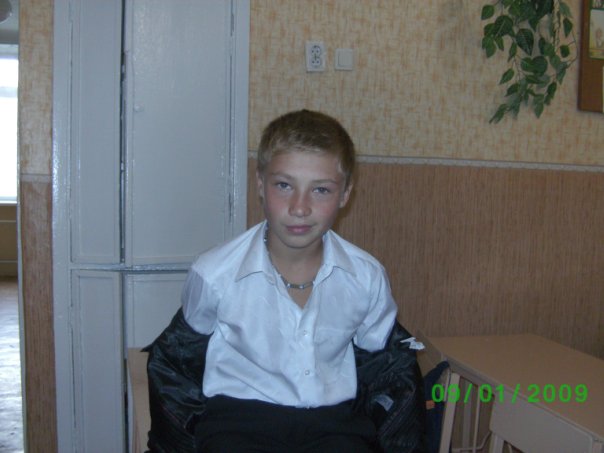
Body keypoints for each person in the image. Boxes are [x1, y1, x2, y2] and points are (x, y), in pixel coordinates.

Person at [182, 109, 399, 452]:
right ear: (260, 184)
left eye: (321, 190)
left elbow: (376, 354)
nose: (300, 207)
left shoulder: (367, 278)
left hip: (334, 425)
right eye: (284, 185)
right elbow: (188, 347)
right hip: (237, 423)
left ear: (345, 194)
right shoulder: (213, 274)